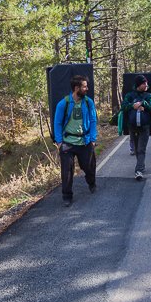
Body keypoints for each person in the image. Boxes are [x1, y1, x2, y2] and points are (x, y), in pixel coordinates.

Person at [53, 75, 98, 207]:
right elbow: (57, 123)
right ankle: (67, 196)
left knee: (89, 167)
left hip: (85, 141)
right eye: (84, 86)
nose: (87, 88)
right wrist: (59, 142)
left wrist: (93, 139)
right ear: (76, 88)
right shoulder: (64, 104)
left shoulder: (88, 102)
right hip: (68, 142)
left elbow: (93, 120)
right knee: (67, 171)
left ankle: (91, 183)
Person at [122, 75, 151, 180]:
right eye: (144, 83)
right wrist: (132, 106)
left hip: (145, 126)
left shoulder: (149, 96)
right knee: (137, 149)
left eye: (146, 83)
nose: (146, 85)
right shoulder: (130, 95)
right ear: (138, 85)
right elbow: (123, 107)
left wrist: (144, 104)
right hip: (132, 126)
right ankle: (141, 165)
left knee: (141, 149)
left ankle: (139, 170)